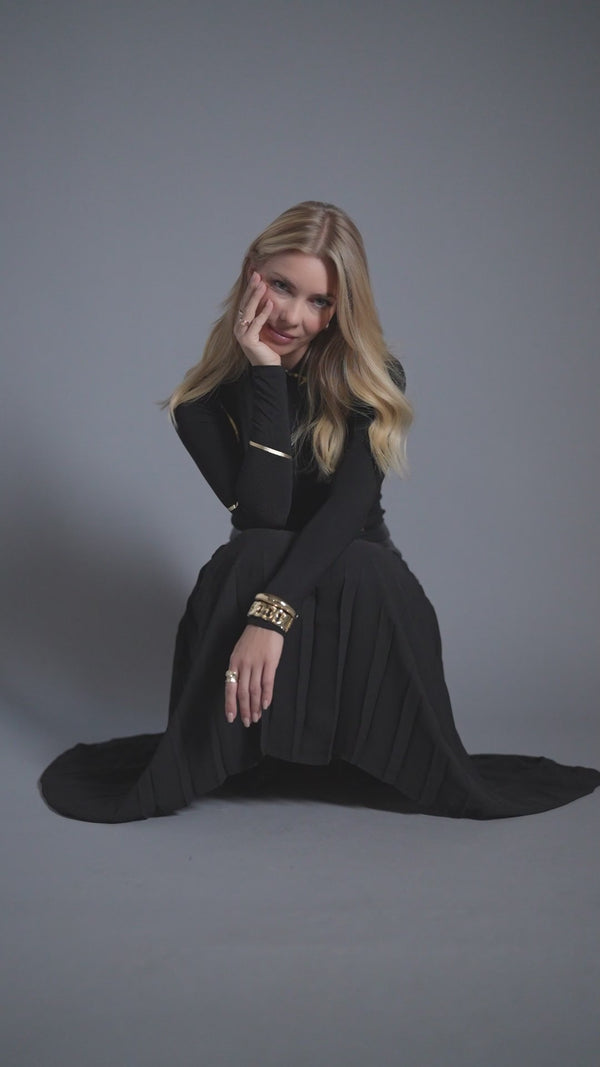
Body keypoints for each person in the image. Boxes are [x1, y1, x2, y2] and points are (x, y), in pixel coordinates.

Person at [39, 200, 600, 823]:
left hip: (361, 586)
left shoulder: (371, 376)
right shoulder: (200, 405)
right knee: (252, 550)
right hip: (261, 569)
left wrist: (270, 616)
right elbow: (264, 513)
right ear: (251, 272)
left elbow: (347, 513)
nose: (293, 316)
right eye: (282, 286)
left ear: (338, 310)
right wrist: (266, 375)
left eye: (319, 301)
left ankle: (351, 742)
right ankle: (247, 746)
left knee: (355, 562)